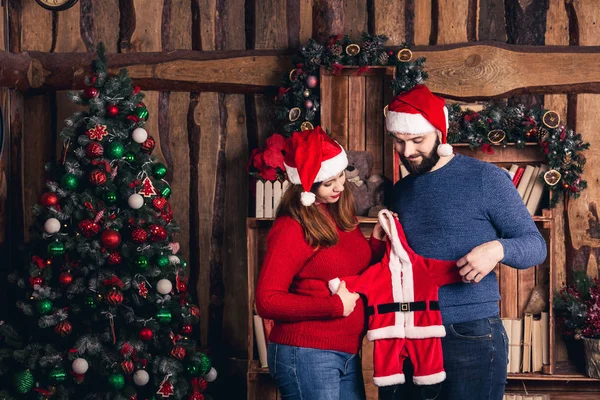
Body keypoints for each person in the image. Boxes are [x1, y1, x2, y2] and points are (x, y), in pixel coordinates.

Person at [381, 85, 547, 400]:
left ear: (440, 134)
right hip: (408, 333)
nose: (407, 152)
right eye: (399, 142)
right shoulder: (400, 192)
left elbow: (535, 246)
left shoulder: (486, 179)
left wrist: (497, 249)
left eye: (417, 141)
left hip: (470, 332)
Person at [255, 126, 386, 400]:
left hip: (346, 352)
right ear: (307, 187)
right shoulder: (292, 227)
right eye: (328, 182)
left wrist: (376, 242)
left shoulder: (339, 214)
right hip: (306, 354)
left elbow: (353, 272)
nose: (339, 186)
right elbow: (267, 300)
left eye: (340, 176)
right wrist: (332, 306)